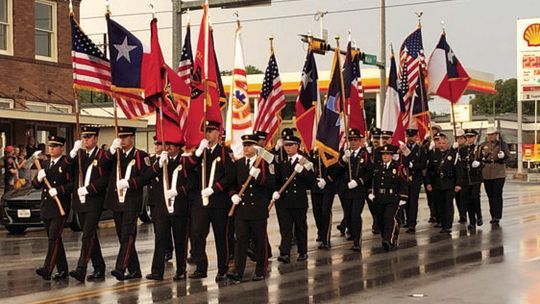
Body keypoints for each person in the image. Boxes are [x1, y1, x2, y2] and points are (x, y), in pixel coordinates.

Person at [189, 120, 235, 282]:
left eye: (211, 131)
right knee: (196, 234)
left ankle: (222, 269)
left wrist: (215, 188)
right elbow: (188, 169)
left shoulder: (224, 152)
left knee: (221, 237)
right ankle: (201, 266)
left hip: (219, 202)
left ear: (218, 133)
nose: (208, 134)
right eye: (205, 131)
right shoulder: (200, 151)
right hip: (201, 202)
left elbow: (230, 176)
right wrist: (198, 152)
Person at [227, 134, 275, 283]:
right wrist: (233, 194)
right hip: (242, 209)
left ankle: (260, 270)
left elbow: (272, 184)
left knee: (259, 242)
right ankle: (238, 272)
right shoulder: (239, 163)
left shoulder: (264, 164)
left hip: (258, 209)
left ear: (256, 147)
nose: (246, 148)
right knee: (240, 241)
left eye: (249, 145)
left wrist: (259, 177)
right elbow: (232, 183)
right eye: (244, 145)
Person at [104, 127, 150, 281]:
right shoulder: (115, 155)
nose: (122, 140)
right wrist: (111, 150)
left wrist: (130, 183)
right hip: (117, 201)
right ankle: (135, 270)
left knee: (128, 236)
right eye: (120, 137)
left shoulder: (140, 156)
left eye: (125, 137)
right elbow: (102, 166)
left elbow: (146, 176)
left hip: (131, 201)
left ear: (132, 138)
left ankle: (120, 268)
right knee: (122, 236)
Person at [66, 126, 111, 282]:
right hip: (80, 201)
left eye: (89, 137)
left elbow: (104, 179)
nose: (86, 140)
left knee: (86, 235)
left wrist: (89, 189)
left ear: (96, 139)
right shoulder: (80, 156)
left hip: (94, 201)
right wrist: (72, 154)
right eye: (84, 137)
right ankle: (99, 267)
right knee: (90, 236)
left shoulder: (102, 156)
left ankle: (81, 269)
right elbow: (66, 170)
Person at [145, 140, 193, 281]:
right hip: (162, 208)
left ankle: (181, 270)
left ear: (178, 147)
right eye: (167, 145)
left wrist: (178, 191)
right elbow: (146, 177)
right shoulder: (161, 161)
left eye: (171, 145)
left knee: (180, 240)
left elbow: (192, 182)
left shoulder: (184, 162)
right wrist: (159, 164)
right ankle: (157, 271)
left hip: (179, 207)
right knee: (160, 239)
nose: (168, 147)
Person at [32, 136, 73, 281]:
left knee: (53, 238)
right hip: (47, 206)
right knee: (56, 240)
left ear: (62, 148)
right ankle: (63, 270)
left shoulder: (67, 163)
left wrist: (60, 190)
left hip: (60, 206)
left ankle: (47, 269)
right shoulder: (44, 163)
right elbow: (35, 185)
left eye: (55, 146)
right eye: (50, 146)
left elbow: (72, 184)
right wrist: (38, 177)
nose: (51, 149)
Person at [273, 133, 315, 263]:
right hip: (285, 201)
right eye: (286, 145)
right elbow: (277, 180)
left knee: (300, 227)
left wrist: (301, 171)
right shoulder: (282, 162)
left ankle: (302, 252)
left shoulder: (304, 161)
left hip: (298, 200)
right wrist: (275, 191)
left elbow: (312, 179)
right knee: (285, 228)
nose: (287, 148)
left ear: (297, 146)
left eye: (290, 145)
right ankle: (285, 252)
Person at [337, 129, 372, 251]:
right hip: (346, 190)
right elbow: (338, 170)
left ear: (360, 141)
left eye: (355, 140)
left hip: (358, 190)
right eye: (350, 140)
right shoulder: (346, 153)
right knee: (348, 215)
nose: (352, 143)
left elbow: (369, 172)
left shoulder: (365, 154)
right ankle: (351, 233)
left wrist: (358, 181)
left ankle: (357, 241)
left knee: (355, 215)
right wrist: (343, 161)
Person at [371, 144, 407, 251]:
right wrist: (371, 192)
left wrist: (403, 198)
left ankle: (388, 240)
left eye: (387, 154)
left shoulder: (398, 167)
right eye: (383, 154)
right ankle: (387, 236)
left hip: (392, 197)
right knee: (380, 219)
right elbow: (372, 182)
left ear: (392, 156)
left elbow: (403, 183)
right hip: (379, 197)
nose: (385, 156)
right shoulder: (377, 167)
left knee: (388, 218)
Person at [425, 132, 458, 234]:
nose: (441, 145)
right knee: (440, 205)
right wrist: (428, 183)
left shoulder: (453, 155)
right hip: (437, 183)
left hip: (449, 183)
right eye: (439, 143)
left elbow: (458, 171)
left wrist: (458, 184)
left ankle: (448, 225)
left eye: (443, 143)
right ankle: (443, 224)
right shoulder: (434, 155)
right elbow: (429, 171)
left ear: (447, 144)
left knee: (448, 205)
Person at [479, 127, 509, 225]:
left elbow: (508, 156)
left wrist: (503, 155)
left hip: (499, 172)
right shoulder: (483, 145)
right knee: (490, 195)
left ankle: (497, 215)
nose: (490, 136)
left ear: (496, 135)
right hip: (487, 172)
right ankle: (492, 214)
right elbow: (478, 157)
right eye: (489, 134)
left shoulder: (502, 144)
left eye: (492, 134)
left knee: (497, 194)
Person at [456, 129, 484, 231]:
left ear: (475, 137)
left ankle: (479, 216)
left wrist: (479, 164)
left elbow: (484, 161)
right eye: (467, 137)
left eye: (471, 137)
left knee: (475, 197)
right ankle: (472, 221)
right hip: (465, 178)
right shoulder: (462, 150)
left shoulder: (479, 149)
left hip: (476, 178)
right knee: (467, 200)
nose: (469, 139)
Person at [401, 129, 427, 233]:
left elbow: (423, 164)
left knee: (413, 201)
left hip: (415, 178)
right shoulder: (402, 149)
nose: (410, 139)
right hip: (404, 178)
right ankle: (407, 221)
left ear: (416, 137)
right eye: (409, 136)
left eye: (412, 136)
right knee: (405, 200)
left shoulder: (421, 149)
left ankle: (412, 223)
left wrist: (413, 165)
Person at [452, 129, 468, 223]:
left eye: (461, 138)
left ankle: (464, 214)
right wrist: (453, 150)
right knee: (457, 197)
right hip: (456, 176)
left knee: (463, 197)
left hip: (465, 175)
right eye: (458, 138)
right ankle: (461, 214)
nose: (460, 140)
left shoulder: (466, 149)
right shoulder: (454, 148)